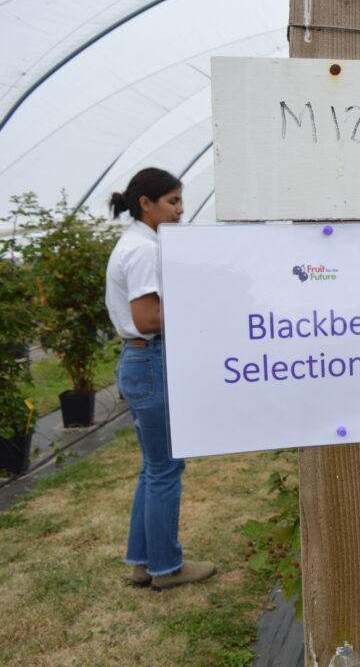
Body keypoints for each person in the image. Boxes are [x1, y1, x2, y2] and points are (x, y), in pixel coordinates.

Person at [105, 167, 216, 590]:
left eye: (180, 200)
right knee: (167, 467)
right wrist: (201, 308)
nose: (180, 209)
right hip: (150, 359)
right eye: (172, 201)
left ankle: (143, 562)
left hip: (142, 362)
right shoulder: (143, 250)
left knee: (154, 467)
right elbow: (148, 319)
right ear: (145, 204)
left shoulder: (139, 242)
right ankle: (167, 568)